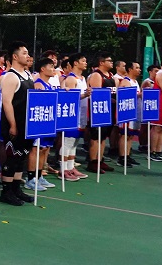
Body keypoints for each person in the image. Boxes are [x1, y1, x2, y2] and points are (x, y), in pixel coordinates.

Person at [0, 42, 37, 206]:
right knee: (12, 157)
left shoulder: (27, 74)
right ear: (15, 56)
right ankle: (6, 192)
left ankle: (16, 188)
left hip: (26, 124)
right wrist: (13, 124)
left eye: (28, 53)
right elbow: (6, 102)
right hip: (14, 124)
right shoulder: (10, 77)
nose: (28, 56)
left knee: (22, 156)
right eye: (24, 53)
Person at [24, 56, 58, 193]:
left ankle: (39, 176)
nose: (53, 69)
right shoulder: (38, 84)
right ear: (43, 69)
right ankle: (30, 178)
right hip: (39, 122)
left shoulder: (49, 85)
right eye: (51, 66)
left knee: (44, 149)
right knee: (36, 149)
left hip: (48, 121)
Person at [60, 53, 90, 182]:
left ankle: (71, 167)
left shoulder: (82, 78)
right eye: (83, 60)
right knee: (68, 142)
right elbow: (70, 99)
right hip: (72, 116)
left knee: (74, 143)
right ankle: (63, 170)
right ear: (75, 63)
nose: (85, 63)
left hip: (81, 115)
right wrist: (85, 95)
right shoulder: (71, 79)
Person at [86, 54, 116, 174]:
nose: (112, 62)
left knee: (103, 137)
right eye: (109, 60)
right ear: (101, 62)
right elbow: (97, 95)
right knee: (96, 137)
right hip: (99, 111)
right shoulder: (97, 75)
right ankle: (92, 161)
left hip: (109, 109)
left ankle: (100, 159)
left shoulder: (111, 76)